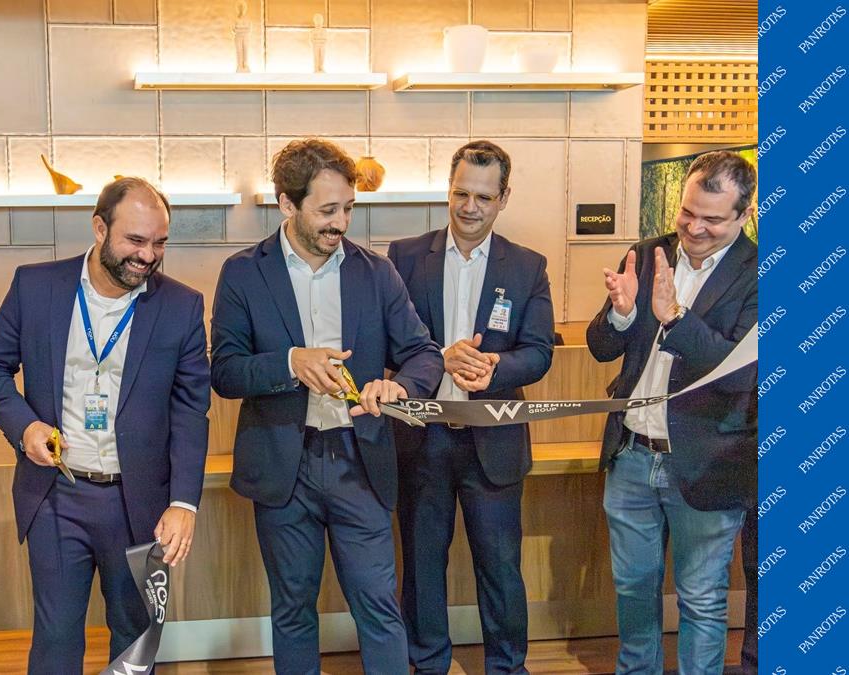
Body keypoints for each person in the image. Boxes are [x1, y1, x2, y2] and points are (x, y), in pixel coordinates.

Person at [210, 138, 443, 674]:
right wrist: (290, 362)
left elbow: (423, 353)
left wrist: (400, 388)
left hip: (359, 462)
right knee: (292, 610)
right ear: (286, 204)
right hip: (282, 468)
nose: (341, 223)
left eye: (348, 209)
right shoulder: (243, 272)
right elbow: (224, 371)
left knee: (379, 608)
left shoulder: (376, 272)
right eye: (327, 210)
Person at [0, 178, 210, 674]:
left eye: (159, 243)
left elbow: (191, 409)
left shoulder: (181, 305)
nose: (148, 256)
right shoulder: (35, 286)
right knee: (56, 639)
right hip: (58, 495)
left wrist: (184, 503)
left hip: (140, 504)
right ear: (99, 228)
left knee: (135, 641)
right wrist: (25, 428)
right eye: (135, 240)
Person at [586, 151, 758, 674]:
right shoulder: (646, 254)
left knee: (701, 598)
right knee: (633, 588)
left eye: (712, 219)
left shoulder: (761, 273)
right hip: (632, 455)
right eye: (688, 212)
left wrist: (676, 318)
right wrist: (621, 315)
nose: (695, 227)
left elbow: (739, 373)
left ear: (745, 214)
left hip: (708, 463)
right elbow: (600, 347)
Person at [387, 140, 554, 674]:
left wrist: (494, 367)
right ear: (448, 190)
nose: (470, 207)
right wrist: (437, 358)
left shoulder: (527, 266)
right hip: (423, 439)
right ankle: (428, 664)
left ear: (504, 197)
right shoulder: (404, 257)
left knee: (501, 568)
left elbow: (539, 352)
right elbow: (387, 343)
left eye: (483, 196)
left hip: (494, 441)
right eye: (461, 193)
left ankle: (507, 667)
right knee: (422, 568)